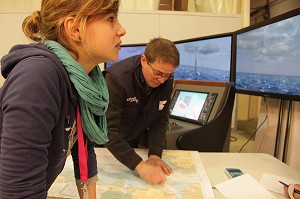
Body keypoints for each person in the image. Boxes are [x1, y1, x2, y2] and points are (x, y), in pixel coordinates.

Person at [0, 0, 125, 198]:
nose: (122, 30)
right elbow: (18, 191)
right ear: (75, 29)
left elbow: (83, 146)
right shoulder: (38, 77)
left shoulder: (80, 80)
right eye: (110, 19)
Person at [103, 37, 180, 184]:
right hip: (104, 150)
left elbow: (160, 118)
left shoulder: (165, 78)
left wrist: (155, 155)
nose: (162, 80)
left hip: (132, 144)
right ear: (144, 60)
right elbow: (107, 131)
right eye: (157, 73)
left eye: (167, 75)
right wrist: (140, 166)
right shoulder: (116, 80)